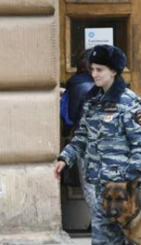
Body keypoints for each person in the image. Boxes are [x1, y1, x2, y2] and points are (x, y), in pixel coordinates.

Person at [54, 44, 141, 245]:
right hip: (98, 179)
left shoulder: (129, 103)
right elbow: (82, 136)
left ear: (114, 72)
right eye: (93, 69)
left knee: (117, 225)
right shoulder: (92, 101)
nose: (94, 74)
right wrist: (65, 158)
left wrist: (130, 182)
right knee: (102, 224)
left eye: (100, 70)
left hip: (120, 184)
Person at [60, 49, 96, 211]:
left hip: (84, 141)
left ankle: (100, 223)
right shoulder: (101, 86)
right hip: (99, 141)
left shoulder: (76, 85)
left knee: (90, 187)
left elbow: (71, 117)